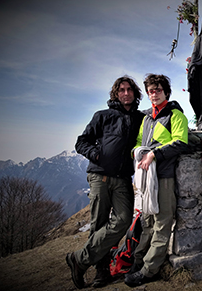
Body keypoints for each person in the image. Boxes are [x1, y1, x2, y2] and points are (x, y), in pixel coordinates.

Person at [67, 76, 145, 289]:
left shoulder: (140, 118)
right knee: (99, 224)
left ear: (135, 93)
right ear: (116, 93)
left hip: (122, 178)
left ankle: (79, 260)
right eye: (122, 90)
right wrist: (96, 154)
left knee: (123, 219)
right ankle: (101, 273)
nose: (126, 93)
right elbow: (81, 142)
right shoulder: (102, 116)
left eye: (130, 89)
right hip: (99, 175)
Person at [124, 74, 188, 287]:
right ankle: (139, 260)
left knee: (162, 223)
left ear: (166, 92)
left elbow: (181, 142)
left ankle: (149, 270)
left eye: (158, 89)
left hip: (164, 176)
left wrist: (154, 154)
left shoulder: (176, 115)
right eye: (151, 90)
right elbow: (138, 142)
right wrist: (137, 151)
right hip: (145, 178)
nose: (154, 93)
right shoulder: (147, 118)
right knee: (148, 221)